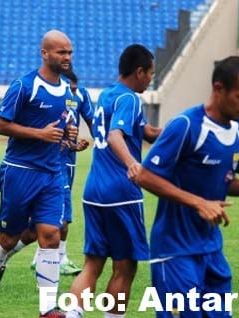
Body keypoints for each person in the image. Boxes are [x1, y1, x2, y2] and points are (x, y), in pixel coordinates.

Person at [135, 56, 239, 317]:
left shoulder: (237, 132)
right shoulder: (186, 125)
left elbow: (225, 181)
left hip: (211, 250)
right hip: (175, 252)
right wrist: (198, 202)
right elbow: (145, 175)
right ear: (219, 89)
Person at [0, 29, 77, 318]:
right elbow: (0, 125)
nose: (67, 57)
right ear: (45, 53)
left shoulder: (67, 90)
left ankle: (47, 309)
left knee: (51, 235)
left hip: (53, 173)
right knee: (8, 239)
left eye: (69, 52)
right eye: (61, 52)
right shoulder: (25, 86)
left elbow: (61, 128)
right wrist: (38, 134)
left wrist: (69, 137)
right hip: (20, 171)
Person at [65, 44, 161, 318]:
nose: (151, 79)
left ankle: (72, 315)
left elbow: (146, 131)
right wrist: (133, 164)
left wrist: (180, 134)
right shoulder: (130, 99)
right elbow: (117, 136)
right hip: (122, 193)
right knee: (126, 266)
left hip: (94, 190)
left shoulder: (108, 94)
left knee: (92, 265)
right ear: (139, 72)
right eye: (150, 73)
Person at [0, 69, 93, 287]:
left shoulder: (75, 96)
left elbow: (72, 129)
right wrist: (44, 135)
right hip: (35, 167)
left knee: (48, 230)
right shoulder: (30, 87)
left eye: (75, 88)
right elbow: (1, 126)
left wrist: (72, 141)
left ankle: (48, 302)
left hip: (61, 166)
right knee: (36, 230)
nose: (72, 92)